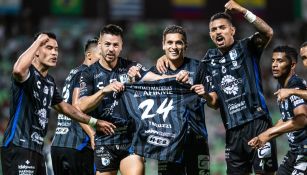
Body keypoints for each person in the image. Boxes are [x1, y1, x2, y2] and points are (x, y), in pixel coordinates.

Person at [157, 1, 280, 174]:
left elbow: (268, 32)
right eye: (214, 30)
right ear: (210, 34)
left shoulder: (247, 47)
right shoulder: (208, 60)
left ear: (232, 30)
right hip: (232, 131)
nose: (218, 32)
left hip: (257, 122)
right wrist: (206, 95)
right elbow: (214, 102)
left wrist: (243, 11)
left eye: (222, 27)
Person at [76, 24, 188, 175]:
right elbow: (81, 106)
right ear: (100, 45)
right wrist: (103, 91)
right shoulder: (89, 73)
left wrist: (177, 77)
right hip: (105, 140)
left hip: (130, 139)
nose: (111, 49)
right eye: (107, 44)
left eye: (116, 45)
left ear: (121, 46)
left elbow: (157, 79)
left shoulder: (131, 67)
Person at [0, 32, 117, 175]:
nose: (54, 52)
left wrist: (94, 122)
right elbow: (18, 70)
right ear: (36, 52)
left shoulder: (49, 82)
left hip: (37, 150)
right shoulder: (28, 74)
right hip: (19, 146)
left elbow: (66, 108)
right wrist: (38, 41)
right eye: (49, 48)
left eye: (56, 49)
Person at [152, 25, 212, 175]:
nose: (174, 46)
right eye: (170, 42)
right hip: (168, 143)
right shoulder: (154, 72)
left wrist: (206, 95)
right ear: (163, 45)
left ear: (185, 45)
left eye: (178, 42)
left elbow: (215, 103)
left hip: (197, 139)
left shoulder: (199, 67)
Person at [248, 45, 307, 174]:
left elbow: (302, 119)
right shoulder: (281, 85)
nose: (274, 65)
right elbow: (287, 118)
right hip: (295, 151)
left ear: (292, 65)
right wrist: (265, 136)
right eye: (273, 60)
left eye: (280, 61)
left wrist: (267, 134)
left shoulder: (296, 85)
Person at [51, 38, 101, 175]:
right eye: (100, 55)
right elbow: (77, 107)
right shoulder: (85, 74)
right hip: (78, 144)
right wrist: (92, 134)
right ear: (89, 55)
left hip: (59, 143)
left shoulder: (73, 72)